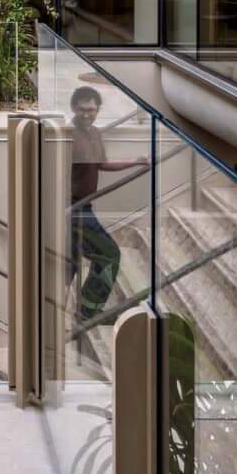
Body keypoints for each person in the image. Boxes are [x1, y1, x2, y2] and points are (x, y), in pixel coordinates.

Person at [67, 85, 148, 323]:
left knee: (71, 263)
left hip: (85, 207)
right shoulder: (68, 136)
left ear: (98, 110)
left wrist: (135, 162)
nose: (86, 114)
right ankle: (87, 312)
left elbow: (101, 164)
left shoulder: (95, 134)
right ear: (74, 108)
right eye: (82, 109)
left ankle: (82, 311)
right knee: (109, 254)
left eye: (91, 110)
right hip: (73, 209)